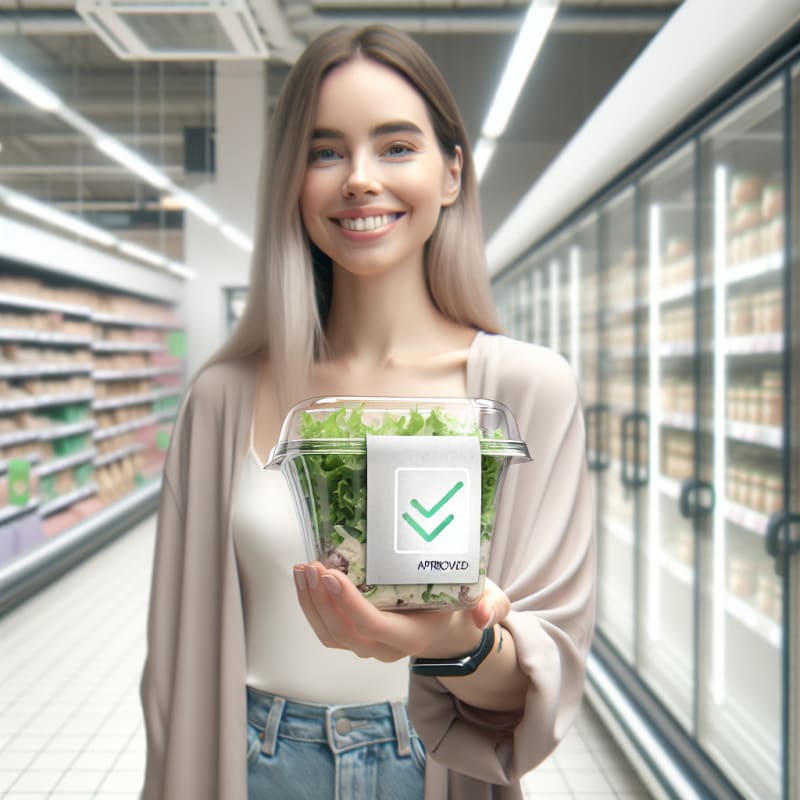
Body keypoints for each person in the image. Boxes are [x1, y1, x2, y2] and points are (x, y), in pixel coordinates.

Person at [140, 24, 595, 800]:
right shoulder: (220, 400)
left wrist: (454, 640)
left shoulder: (527, 394)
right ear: (292, 180)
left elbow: (534, 693)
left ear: (452, 173)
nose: (358, 179)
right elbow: (174, 671)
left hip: (432, 767)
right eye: (324, 151)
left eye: (395, 146)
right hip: (252, 765)